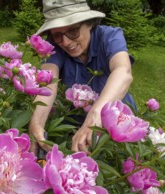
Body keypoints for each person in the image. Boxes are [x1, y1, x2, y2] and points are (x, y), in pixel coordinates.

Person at [29, 0, 137, 155]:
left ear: (90, 24)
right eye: (58, 35)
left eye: (73, 31)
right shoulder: (54, 46)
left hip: (119, 125)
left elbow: (123, 71)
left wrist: (96, 113)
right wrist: (36, 123)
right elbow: (48, 83)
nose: (66, 42)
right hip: (75, 124)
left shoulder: (110, 36)